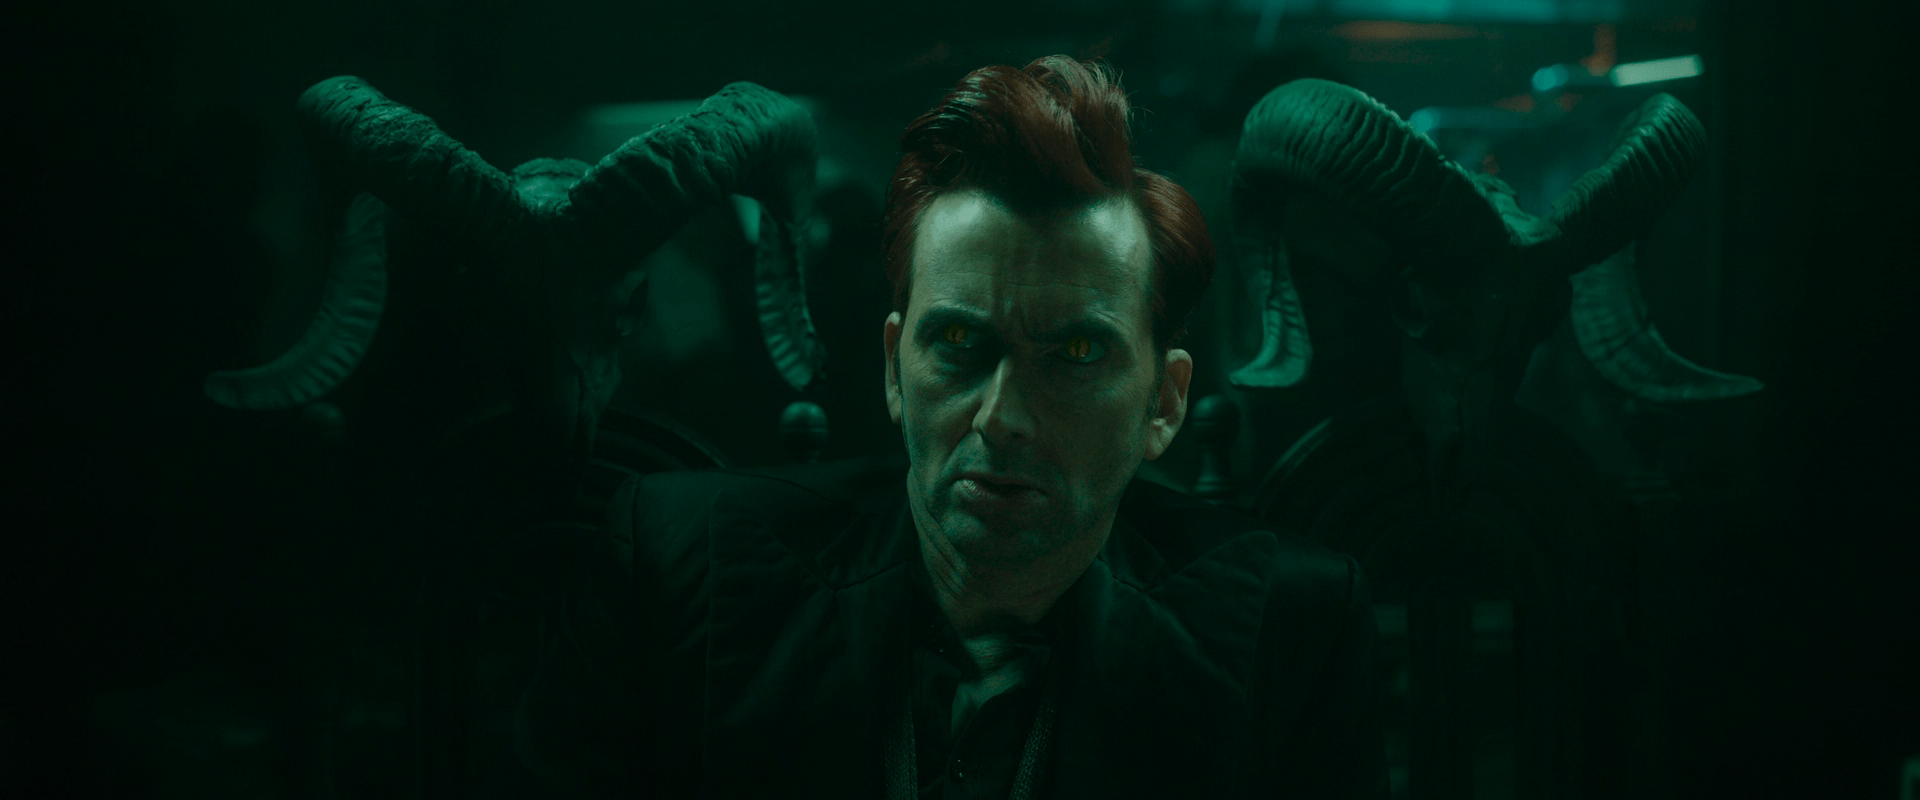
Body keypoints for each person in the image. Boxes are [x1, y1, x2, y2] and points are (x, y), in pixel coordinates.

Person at [515, 55, 1387, 799]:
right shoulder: (676, 570)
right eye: (960, 345)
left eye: (1077, 351)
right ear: (894, 369)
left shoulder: (1292, 630)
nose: (1003, 418)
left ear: (1163, 403)